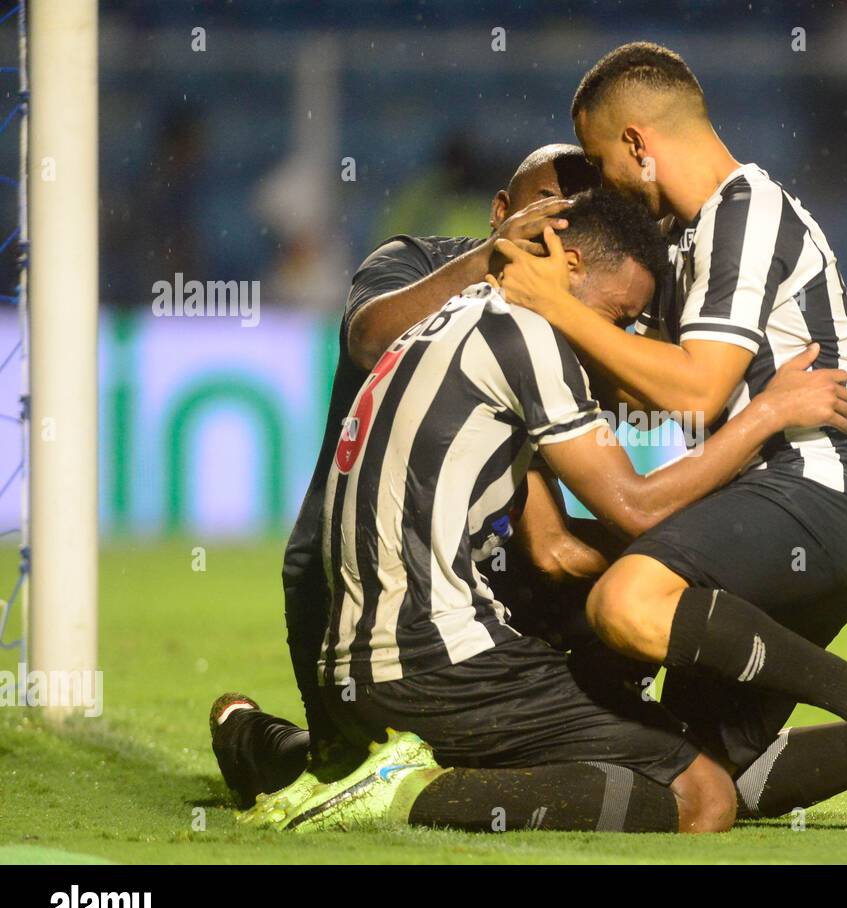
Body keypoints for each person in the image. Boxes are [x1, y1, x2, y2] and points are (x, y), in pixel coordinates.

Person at [496, 42, 847, 832]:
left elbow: (696, 386)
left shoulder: (745, 208)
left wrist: (556, 307)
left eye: (599, 158)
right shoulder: (691, 240)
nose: (602, 186)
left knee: (628, 600)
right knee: (715, 783)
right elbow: (649, 388)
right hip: (770, 516)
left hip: (809, 498)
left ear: (637, 145)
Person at [254, 188, 847, 835]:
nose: (617, 337)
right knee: (704, 795)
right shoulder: (529, 333)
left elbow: (558, 534)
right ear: (567, 264)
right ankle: (401, 794)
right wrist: (769, 411)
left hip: (362, 662)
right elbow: (633, 506)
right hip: (435, 660)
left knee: (637, 728)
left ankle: (276, 745)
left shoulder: (463, 318)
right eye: (620, 314)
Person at [211, 144, 602, 805]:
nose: (555, 241)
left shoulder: (575, 301)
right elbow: (368, 338)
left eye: (577, 224)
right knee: (352, 773)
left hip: (475, 581)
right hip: (346, 582)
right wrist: (490, 263)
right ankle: (258, 742)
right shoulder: (411, 263)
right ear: (502, 212)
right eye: (543, 217)